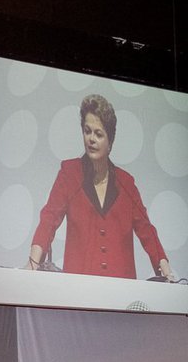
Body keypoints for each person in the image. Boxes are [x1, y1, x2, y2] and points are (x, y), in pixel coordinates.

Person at [28, 94, 173, 280]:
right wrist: (33, 263)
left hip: (122, 288)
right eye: (87, 131)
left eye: (98, 134)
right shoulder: (69, 173)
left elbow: (147, 231)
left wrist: (165, 270)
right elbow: (49, 219)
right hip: (78, 286)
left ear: (110, 141)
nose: (91, 139)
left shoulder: (126, 183)